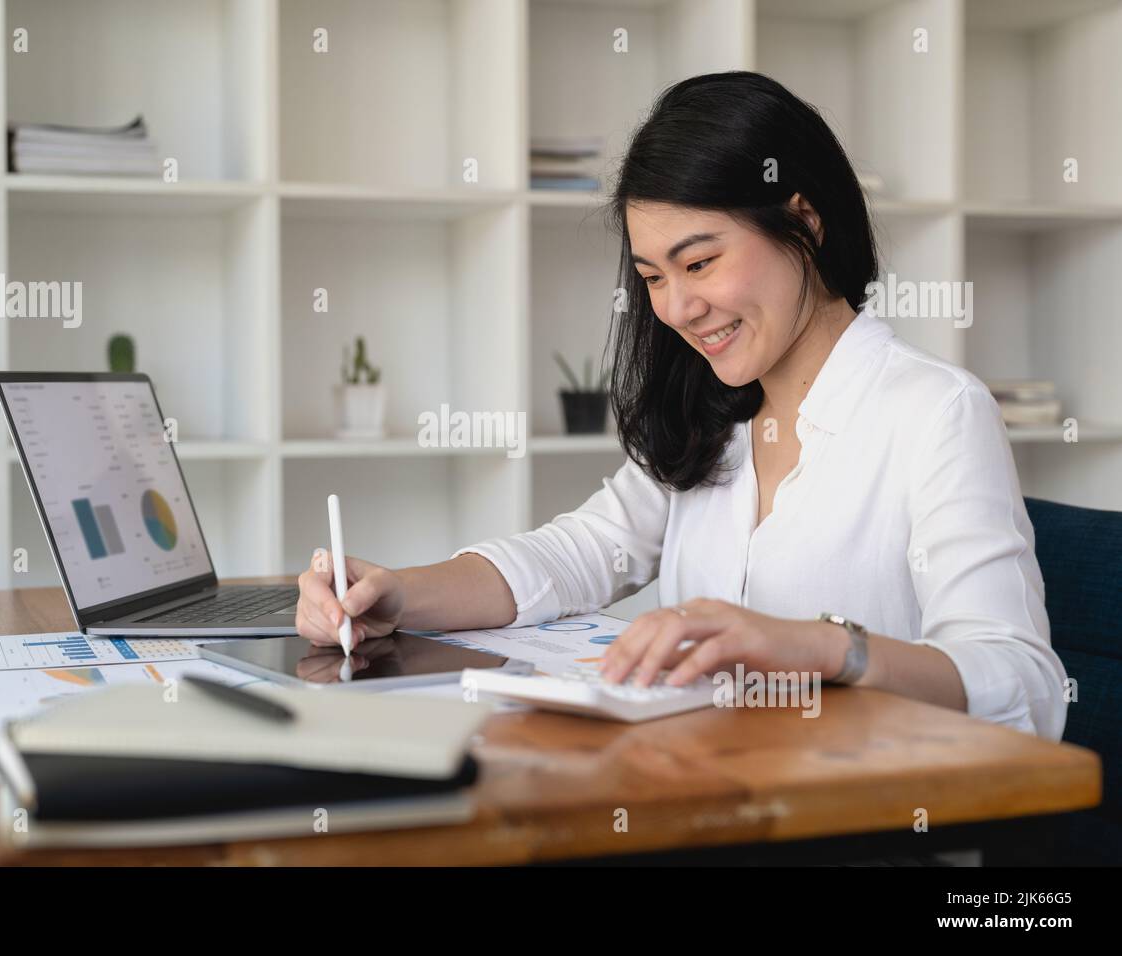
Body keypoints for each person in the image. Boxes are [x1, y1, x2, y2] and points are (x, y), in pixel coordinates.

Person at [295, 71, 1066, 742]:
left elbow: (1023, 686)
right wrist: (397, 593)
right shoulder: (716, 416)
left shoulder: (935, 413)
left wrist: (822, 647)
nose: (679, 307)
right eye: (653, 277)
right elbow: (578, 555)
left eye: (700, 262)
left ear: (804, 219)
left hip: (871, 819)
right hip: (719, 786)